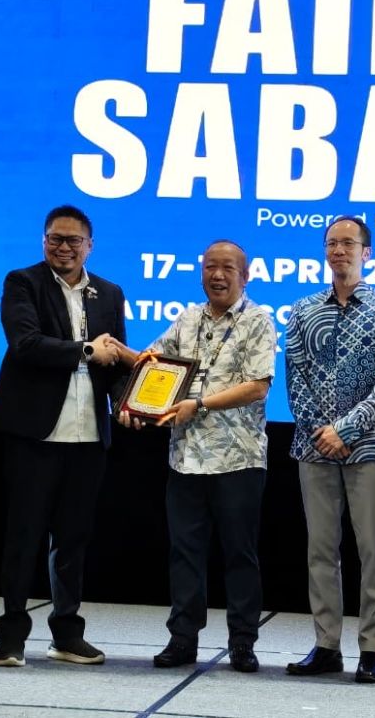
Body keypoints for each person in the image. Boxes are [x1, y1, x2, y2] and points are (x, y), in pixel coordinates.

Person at [116, 240, 276, 673]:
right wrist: (130, 388)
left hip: (238, 459)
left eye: (227, 268)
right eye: (210, 267)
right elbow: (152, 366)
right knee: (185, 553)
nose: (217, 275)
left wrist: (200, 404)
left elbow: (258, 386)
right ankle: (182, 639)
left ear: (245, 276)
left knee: (240, 554)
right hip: (185, 458)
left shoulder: (259, 320)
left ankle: (243, 642)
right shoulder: (187, 319)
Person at [0, 204, 126, 668]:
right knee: (23, 538)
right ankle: (11, 637)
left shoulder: (109, 292)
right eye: (54, 239)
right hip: (33, 434)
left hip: (89, 436)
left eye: (73, 241)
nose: (63, 248)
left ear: (90, 245)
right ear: (43, 241)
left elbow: (119, 363)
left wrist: (132, 405)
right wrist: (87, 349)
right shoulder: (22, 282)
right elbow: (25, 345)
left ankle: (66, 634)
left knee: (74, 540)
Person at [283, 216, 375, 684]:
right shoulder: (302, 310)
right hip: (313, 447)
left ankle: (372, 650)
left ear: (366, 252)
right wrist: (322, 431)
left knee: (373, 551)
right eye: (331, 243)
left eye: (348, 243)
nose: (339, 250)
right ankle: (326, 645)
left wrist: (347, 430)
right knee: (320, 550)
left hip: (371, 445)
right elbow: (295, 381)